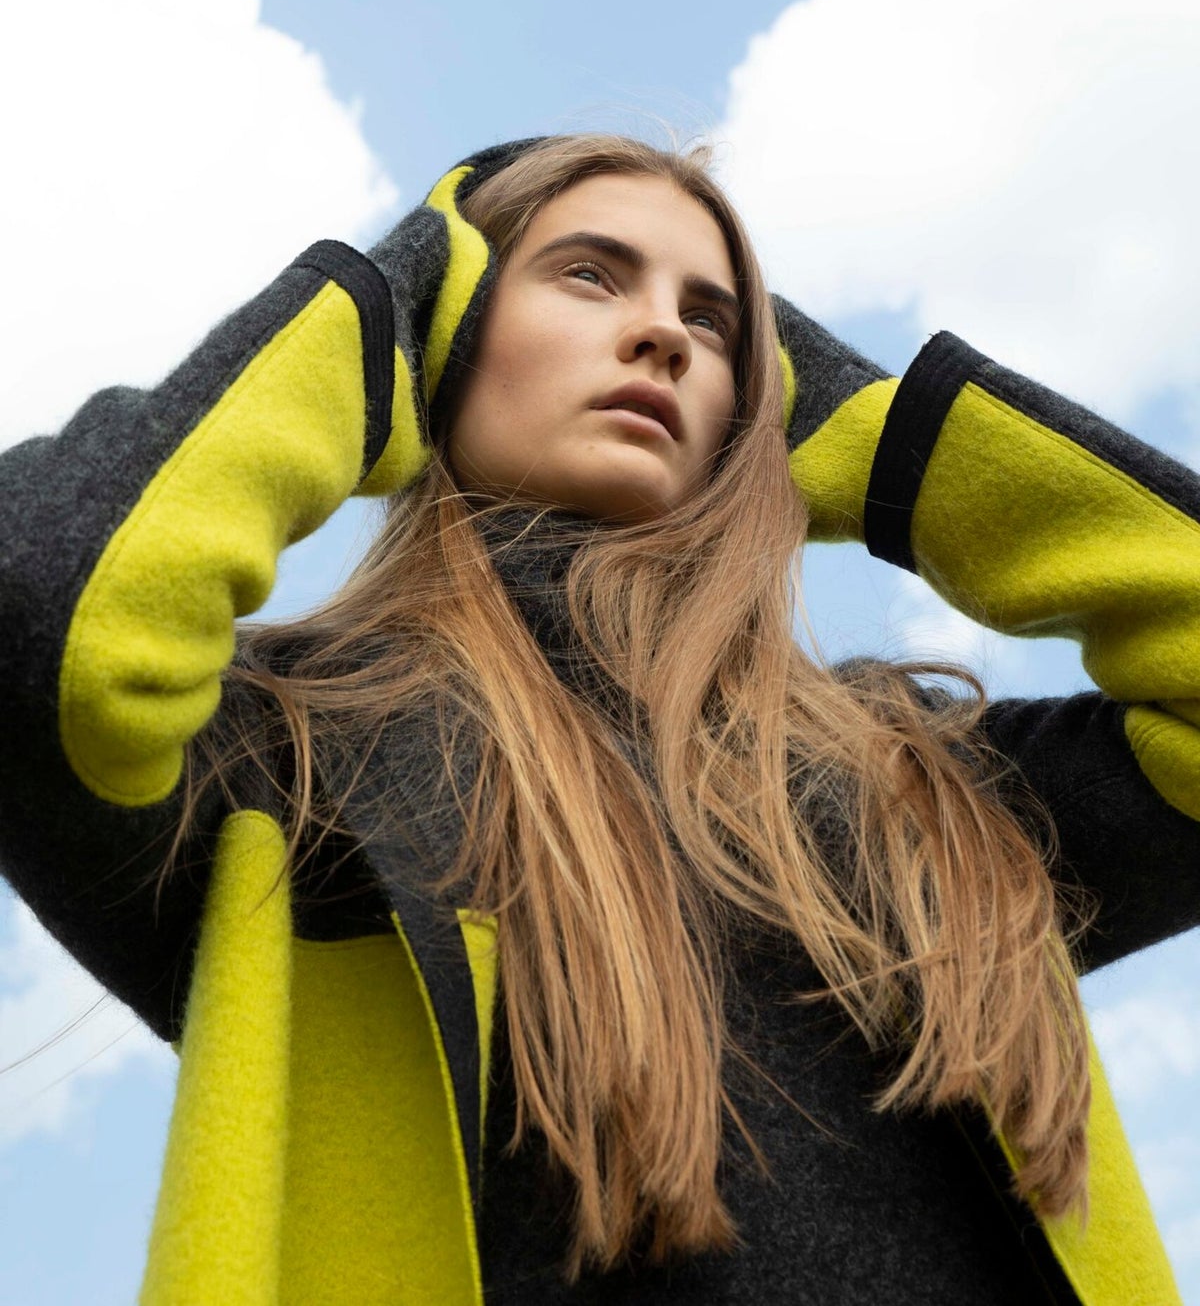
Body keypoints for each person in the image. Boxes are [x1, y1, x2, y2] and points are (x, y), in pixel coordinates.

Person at [0, 131, 1195, 1306]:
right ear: (450, 331)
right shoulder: (285, 753)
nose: (665, 331)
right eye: (588, 272)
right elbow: (42, 605)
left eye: (715, 321)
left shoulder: (918, 775)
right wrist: (389, 302)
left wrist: (875, 432)